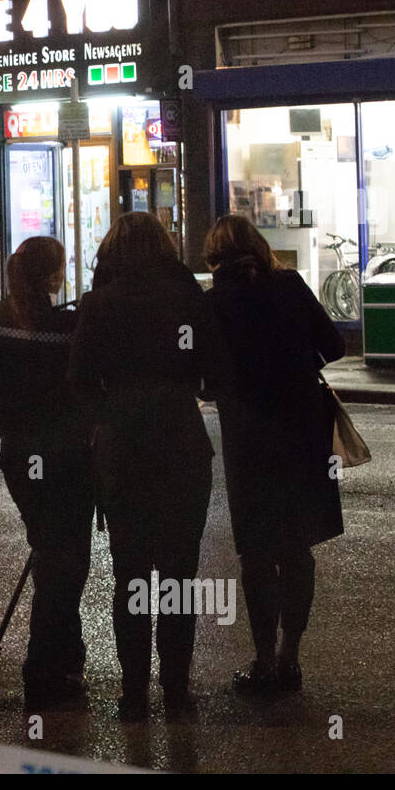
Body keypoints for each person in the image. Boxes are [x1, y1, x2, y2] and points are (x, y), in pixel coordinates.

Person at [69, 212, 229, 722]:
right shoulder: (188, 300)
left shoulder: (99, 305)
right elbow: (214, 375)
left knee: (130, 572)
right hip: (181, 444)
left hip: (123, 451)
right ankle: (176, 690)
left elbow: (79, 380)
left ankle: (133, 692)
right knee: (178, 576)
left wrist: (107, 415)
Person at [203, 215, 345, 695]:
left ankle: (263, 661)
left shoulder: (214, 304)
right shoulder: (288, 286)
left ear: (214, 258)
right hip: (302, 434)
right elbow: (335, 344)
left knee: (258, 553)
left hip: (248, 441)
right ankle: (291, 658)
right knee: (297, 546)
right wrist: (297, 365)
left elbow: (204, 378)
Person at [0, 237, 93, 710]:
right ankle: (43, 673)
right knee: (66, 564)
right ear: (52, 276)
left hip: (18, 455)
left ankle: (67, 658)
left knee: (51, 557)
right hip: (65, 459)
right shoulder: (66, 325)